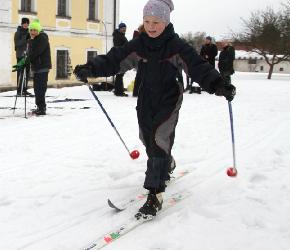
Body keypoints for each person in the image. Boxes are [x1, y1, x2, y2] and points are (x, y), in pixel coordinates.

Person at [74, 0, 236, 219]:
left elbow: (198, 67)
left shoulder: (176, 45)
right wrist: (91, 68)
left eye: (156, 22)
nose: (151, 26)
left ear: (166, 21)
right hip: (146, 97)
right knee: (146, 138)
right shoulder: (139, 44)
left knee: (159, 140)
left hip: (169, 99)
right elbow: (116, 59)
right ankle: (166, 163)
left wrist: (218, 84)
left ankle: (155, 193)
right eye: (147, 21)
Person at [13, 19, 51, 116]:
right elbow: (28, 53)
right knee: (36, 88)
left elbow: (36, 53)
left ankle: (42, 109)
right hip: (36, 67)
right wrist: (21, 62)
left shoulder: (42, 39)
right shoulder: (31, 40)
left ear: (38, 30)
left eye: (35, 30)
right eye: (31, 30)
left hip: (42, 67)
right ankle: (39, 107)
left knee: (40, 89)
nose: (32, 32)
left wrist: (25, 61)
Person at [14, 17, 32, 96]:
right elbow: (17, 44)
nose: (26, 25)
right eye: (24, 23)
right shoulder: (18, 32)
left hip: (27, 55)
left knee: (27, 73)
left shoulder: (29, 32)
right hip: (20, 55)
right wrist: (25, 38)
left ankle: (24, 89)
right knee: (20, 73)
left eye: (27, 23)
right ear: (22, 24)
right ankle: (19, 90)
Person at [112, 22, 128, 97]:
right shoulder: (118, 36)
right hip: (119, 57)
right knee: (119, 74)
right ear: (120, 28)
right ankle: (118, 91)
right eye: (123, 28)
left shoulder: (121, 35)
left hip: (121, 57)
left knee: (120, 74)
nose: (124, 30)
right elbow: (119, 47)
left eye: (125, 28)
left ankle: (118, 89)